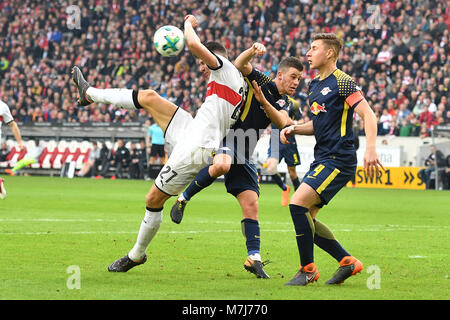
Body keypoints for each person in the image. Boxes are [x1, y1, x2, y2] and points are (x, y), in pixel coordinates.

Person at [72, 14, 247, 273]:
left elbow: (193, 44)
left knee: (153, 199)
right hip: (192, 129)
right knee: (150, 97)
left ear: (214, 58)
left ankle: (136, 254)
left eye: (202, 62)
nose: (201, 66)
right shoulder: (234, 80)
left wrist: (188, 24)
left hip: (196, 148)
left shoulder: (223, 69)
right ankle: (89, 93)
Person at [170, 49, 304, 278]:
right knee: (222, 165)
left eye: (299, 79)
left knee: (251, 205)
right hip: (229, 137)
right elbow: (239, 64)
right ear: (279, 74)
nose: (296, 82)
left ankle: (254, 258)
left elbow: (282, 121)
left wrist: (263, 102)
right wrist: (252, 50)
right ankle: (183, 198)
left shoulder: (286, 102)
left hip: (246, 151)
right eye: (293, 76)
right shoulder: (261, 80)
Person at [280, 33, 385, 286]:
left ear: (329, 53)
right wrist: (294, 127)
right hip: (323, 157)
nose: (308, 52)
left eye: (314, 48)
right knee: (308, 220)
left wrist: (371, 148)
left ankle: (307, 269)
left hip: (339, 158)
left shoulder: (344, 82)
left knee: (296, 205)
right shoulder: (314, 86)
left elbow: (368, 115)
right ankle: (348, 262)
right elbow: (318, 124)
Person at [264, 96, 303, 206]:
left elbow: (301, 120)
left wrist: (293, 123)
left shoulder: (294, 103)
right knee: (270, 168)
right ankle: (285, 188)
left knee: (292, 172)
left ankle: (299, 198)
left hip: (289, 138)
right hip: (275, 138)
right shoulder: (271, 99)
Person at [0, 99, 25, 199]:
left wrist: (19, 142)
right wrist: (19, 142)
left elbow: (12, 124)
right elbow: (12, 124)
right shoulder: (3, 106)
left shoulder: (2, 106)